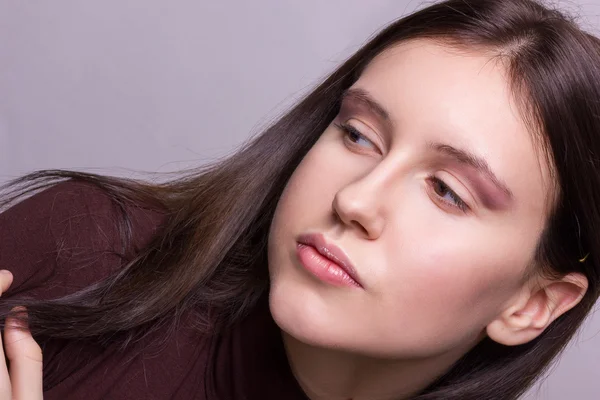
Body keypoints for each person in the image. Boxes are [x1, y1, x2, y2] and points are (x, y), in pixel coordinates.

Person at [1, 0, 599, 398]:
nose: (356, 200)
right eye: (359, 135)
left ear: (533, 304)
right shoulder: (83, 253)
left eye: (446, 191)